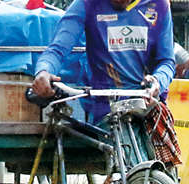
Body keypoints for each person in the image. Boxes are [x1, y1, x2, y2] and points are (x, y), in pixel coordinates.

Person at [32, 0, 174, 112]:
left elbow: (167, 61)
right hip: (105, 108)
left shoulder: (159, 5)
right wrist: (44, 71)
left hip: (148, 105)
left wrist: (158, 81)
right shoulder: (87, 4)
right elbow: (57, 49)